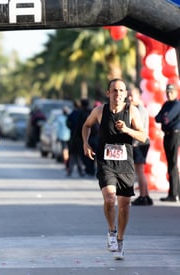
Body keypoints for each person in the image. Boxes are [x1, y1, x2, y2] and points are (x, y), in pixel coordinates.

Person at [82, 78, 147, 260]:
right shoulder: (99, 111)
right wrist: (85, 143)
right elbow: (86, 126)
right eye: (114, 90)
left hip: (125, 164)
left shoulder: (131, 111)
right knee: (110, 199)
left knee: (124, 205)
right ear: (108, 93)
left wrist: (127, 129)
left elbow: (143, 136)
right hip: (106, 163)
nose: (118, 94)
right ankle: (111, 230)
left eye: (121, 91)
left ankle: (120, 240)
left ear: (126, 94)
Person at [155, 83, 180, 202]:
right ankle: (173, 192)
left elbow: (167, 117)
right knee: (170, 164)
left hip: (175, 134)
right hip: (167, 135)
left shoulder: (177, 104)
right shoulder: (166, 104)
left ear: (176, 92)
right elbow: (158, 118)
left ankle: (174, 193)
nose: (169, 94)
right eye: (167, 92)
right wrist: (164, 117)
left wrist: (164, 117)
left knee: (173, 164)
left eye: (171, 92)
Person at [128, 87, 152, 206]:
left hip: (140, 143)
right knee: (140, 171)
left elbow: (141, 129)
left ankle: (143, 196)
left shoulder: (140, 109)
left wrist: (135, 143)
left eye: (132, 95)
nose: (129, 98)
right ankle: (146, 195)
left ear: (139, 96)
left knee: (140, 171)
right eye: (129, 95)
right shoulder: (134, 108)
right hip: (139, 142)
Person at [56, 106, 71, 171]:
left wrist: (58, 137)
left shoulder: (60, 118)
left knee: (65, 150)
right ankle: (67, 163)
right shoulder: (69, 117)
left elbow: (58, 129)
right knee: (68, 151)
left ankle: (66, 163)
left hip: (63, 137)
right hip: (69, 136)